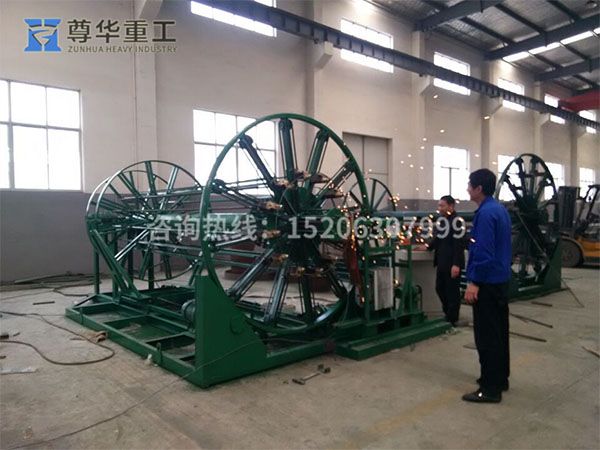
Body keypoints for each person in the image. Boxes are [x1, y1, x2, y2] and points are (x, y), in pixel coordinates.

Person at [462, 168, 512, 404]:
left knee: (487, 336)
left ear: (479, 189)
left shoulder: (485, 214)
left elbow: (483, 251)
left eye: (470, 185)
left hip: (487, 284)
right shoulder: (500, 210)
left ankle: (490, 389)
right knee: (499, 333)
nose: (467, 189)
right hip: (500, 281)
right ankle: (500, 379)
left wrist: (474, 282)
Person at [425, 195, 465, 327]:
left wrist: (456, 264)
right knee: (440, 288)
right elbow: (438, 238)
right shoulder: (442, 220)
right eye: (439, 205)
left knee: (452, 291)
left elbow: (458, 244)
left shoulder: (457, 221)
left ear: (451, 206)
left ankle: (452, 318)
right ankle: (448, 313)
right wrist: (427, 246)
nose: (440, 208)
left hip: (451, 263)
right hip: (442, 261)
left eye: (442, 206)